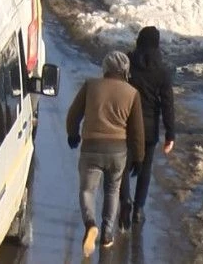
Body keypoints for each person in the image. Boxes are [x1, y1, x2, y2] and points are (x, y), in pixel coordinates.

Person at [67, 50, 144, 256]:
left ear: (105, 68)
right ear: (125, 70)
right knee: (112, 191)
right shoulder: (132, 93)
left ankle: (90, 224)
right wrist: (139, 157)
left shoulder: (91, 85)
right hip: (117, 151)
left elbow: (73, 114)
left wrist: (73, 134)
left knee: (87, 190)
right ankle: (108, 234)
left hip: (91, 147)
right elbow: (137, 130)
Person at [120, 26, 176, 228]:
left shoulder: (127, 64)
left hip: (126, 124)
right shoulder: (162, 71)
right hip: (149, 129)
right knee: (145, 169)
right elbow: (167, 104)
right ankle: (138, 209)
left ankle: (124, 201)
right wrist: (170, 134)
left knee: (123, 167)